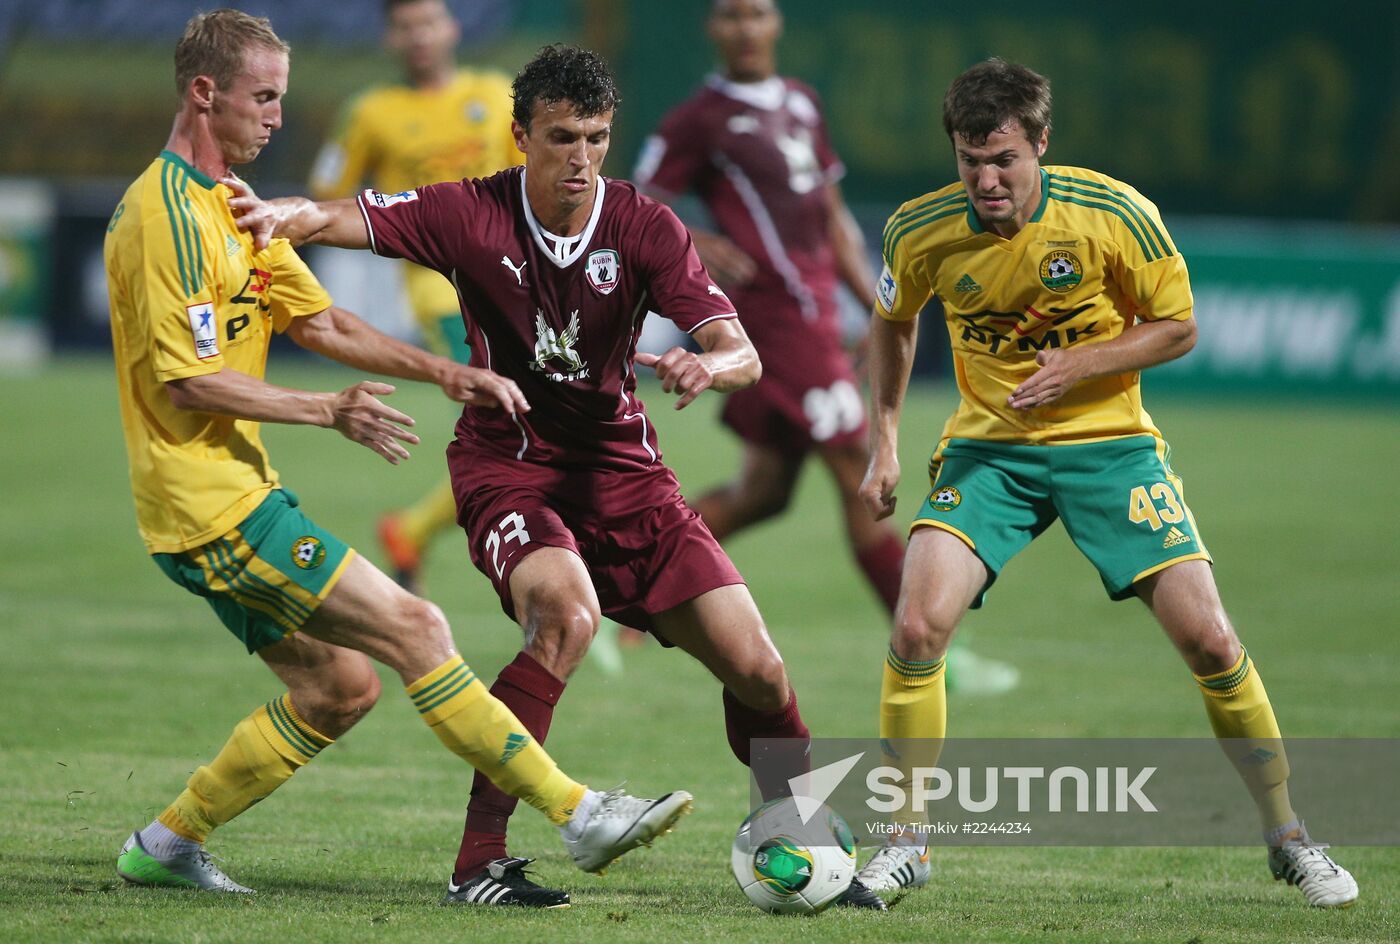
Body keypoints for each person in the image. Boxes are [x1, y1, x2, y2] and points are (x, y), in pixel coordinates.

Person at [230, 41, 885, 911]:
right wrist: (278, 214)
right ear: (521, 136)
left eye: (597, 138)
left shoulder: (646, 227)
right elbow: (335, 216)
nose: (581, 159)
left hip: (627, 477)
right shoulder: (468, 213)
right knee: (565, 619)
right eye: (563, 137)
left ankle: (794, 836)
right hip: (512, 468)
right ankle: (478, 865)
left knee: (761, 674)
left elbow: (743, 353)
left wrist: (706, 365)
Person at [104, 10, 690, 899]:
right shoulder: (165, 216)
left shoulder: (231, 207)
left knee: (338, 690)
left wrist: (445, 373)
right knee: (417, 628)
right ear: (203, 92)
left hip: (230, 493)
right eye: (263, 99)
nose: (275, 117)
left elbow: (324, 320)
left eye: (280, 99)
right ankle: (577, 812)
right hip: (207, 507)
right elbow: (189, 382)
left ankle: (164, 843)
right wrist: (325, 410)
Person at [852, 57, 1358, 909]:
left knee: (1211, 642)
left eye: (1004, 158)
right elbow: (893, 324)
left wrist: (1081, 364)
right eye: (970, 160)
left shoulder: (1115, 214)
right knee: (916, 624)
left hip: (1111, 446)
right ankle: (906, 843)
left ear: (1041, 144)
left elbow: (1179, 327)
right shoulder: (920, 229)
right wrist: (886, 443)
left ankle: (1290, 837)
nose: (986, 179)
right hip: (992, 451)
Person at [632, 0, 1017, 694]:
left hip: (812, 314)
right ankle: (934, 653)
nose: (745, 27)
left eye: (756, 13)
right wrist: (694, 242)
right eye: (729, 15)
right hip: (775, 320)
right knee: (859, 475)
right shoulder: (700, 117)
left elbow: (832, 215)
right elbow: (632, 201)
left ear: (777, 21)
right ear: (711, 29)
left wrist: (878, 300)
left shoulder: (802, 104)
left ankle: (623, 593)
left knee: (765, 492)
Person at [309, 0, 522, 593]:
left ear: (452, 27)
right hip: (442, 288)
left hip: (515, 276)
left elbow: (529, 181)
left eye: (429, 22)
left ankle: (412, 529)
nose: (419, 35)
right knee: (519, 418)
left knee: (529, 423)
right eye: (406, 26)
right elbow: (326, 195)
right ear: (390, 38)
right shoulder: (371, 112)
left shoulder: (496, 92)